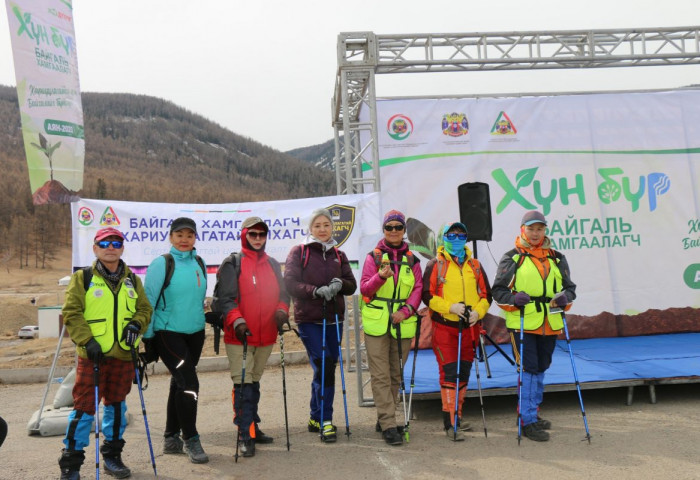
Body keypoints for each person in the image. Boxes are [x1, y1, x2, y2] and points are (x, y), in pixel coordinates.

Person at [58, 227, 152, 480]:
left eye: (116, 242)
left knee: (117, 407)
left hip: (122, 354)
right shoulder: (83, 278)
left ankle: (112, 456)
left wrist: (137, 325)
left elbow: (144, 309)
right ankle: (71, 463)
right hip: (92, 356)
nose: (111, 247)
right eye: (104, 242)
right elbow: (72, 312)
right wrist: (87, 341)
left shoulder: (133, 279)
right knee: (83, 409)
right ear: (95, 248)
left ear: (122, 247)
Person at [491, 210, 576, 442]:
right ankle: (527, 419)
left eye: (540, 229)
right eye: (531, 228)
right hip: (523, 324)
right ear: (523, 230)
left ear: (545, 230)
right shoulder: (513, 257)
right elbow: (498, 292)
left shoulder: (557, 257)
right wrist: (513, 299)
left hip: (550, 323)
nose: (536, 233)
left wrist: (564, 298)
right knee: (528, 369)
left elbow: (570, 288)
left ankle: (533, 413)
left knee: (541, 366)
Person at [214, 216, 290, 458]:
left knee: (254, 381)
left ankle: (253, 426)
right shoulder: (232, 263)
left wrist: (281, 311)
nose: (258, 239)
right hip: (240, 336)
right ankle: (244, 432)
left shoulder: (273, 264)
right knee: (242, 383)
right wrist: (237, 320)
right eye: (253, 234)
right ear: (244, 235)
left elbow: (284, 294)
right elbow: (226, 299)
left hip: (266, 334)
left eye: (262, 234)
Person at [284, 208, 357, 443]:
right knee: (324, 365)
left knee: (326, 367)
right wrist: (315, 291)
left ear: (332, 227)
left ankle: (315, 416)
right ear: (310, 228)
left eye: (326, 225)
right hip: (310, 320)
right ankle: (326, 420)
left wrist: (339, 283)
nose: (322, 229)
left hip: (334, 318)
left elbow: (351, 285)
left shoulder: (339, 254)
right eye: (318, 225)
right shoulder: (300, 251)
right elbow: (290, 283)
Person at [143, 217, 209, 463]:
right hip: (167, 333)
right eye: (179, 235)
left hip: (195, 333)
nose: (184, 240)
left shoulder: (199, 262)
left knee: (179, 383)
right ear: (170, 237)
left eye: (189, 235)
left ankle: (171, 437)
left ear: (195, 239)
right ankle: (190, 438)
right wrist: (148, 340)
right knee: (190, 384)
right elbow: (148, 302)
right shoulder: (162, 263)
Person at [421, 221, 491, 441]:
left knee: (464, 372)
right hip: (445, 327)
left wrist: (478, 313)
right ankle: (450, 422)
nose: (457, 240)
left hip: (469, 328)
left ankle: (457, 417)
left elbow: (487, 295)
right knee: (450, 373)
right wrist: (449, 307)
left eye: (462, 236)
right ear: (444, 238)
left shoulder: (476, 265)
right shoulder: (436, 265)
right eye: (452, 236)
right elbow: (427, 295)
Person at [360, 210, 422, 446]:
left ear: (404, 231)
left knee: (396, 373)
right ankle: (388, 423)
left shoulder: (413, 260)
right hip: (377, 323)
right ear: (384, 230)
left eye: (398, 227)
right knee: (380, 375)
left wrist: (405, 311)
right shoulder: (372, 258)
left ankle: (383, 415)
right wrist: (380, 277)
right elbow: (365, 289)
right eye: (389, 227)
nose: (394, 231)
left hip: (402, 323)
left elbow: (417, 290)